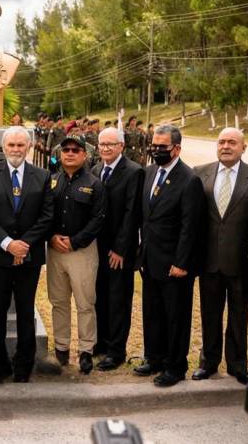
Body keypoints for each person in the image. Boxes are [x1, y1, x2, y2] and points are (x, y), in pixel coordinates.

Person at [0, 127, 53, 383]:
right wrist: (8, 244)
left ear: (29, 147)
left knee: (25, 310)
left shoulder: (42, 176)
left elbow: (46, 216)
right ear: (3, 147)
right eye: (12, 145)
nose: (16, 149)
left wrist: (23, 245)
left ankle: (24, 363)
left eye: (21, 145)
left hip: (28, 258)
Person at [191, 128, 248, 385]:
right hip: (208, 259)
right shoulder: (199, 174)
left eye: (232, 142)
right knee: (209, 315)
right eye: (221, 142)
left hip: (241, 262)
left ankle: (237, 365)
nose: (225, 146)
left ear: (243, 147)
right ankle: (208, 362)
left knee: (238, 316)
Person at [135, 125, 205, 388]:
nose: (156, 150)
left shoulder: (189, 179)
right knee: (152, 312)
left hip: (175, 263)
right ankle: (154, 358)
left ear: (176, 148)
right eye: (153, 145)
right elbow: (147, 217)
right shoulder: (150, 172)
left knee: (175, 316)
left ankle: (175, 366)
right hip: (151, 259)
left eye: (162, 147)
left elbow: (190, 227)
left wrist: (182, 263)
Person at [47, 135, 106, 374]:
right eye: (66, 149)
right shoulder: (50, 181)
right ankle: (61, 349)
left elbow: (98, 219)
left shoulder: (94, 183)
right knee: (58, 302)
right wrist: (51, 237)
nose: (69, 153)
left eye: (75, 150)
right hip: (55, 250)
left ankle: (86, 351)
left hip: (82, 251)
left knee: (85, 303)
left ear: (84, 155)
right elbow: (43, 214)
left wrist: (74, 241)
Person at [89, 127, 144, 371]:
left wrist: (121, 248)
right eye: (102, 144)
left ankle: (116, 350)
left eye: (111, 144)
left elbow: (133, 214)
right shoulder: (95, 170)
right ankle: (101, 342)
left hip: (119, 250)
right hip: (96, 248)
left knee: (118, 299)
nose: (105, 148)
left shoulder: (133, 172)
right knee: (99, 296)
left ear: (121, 146)